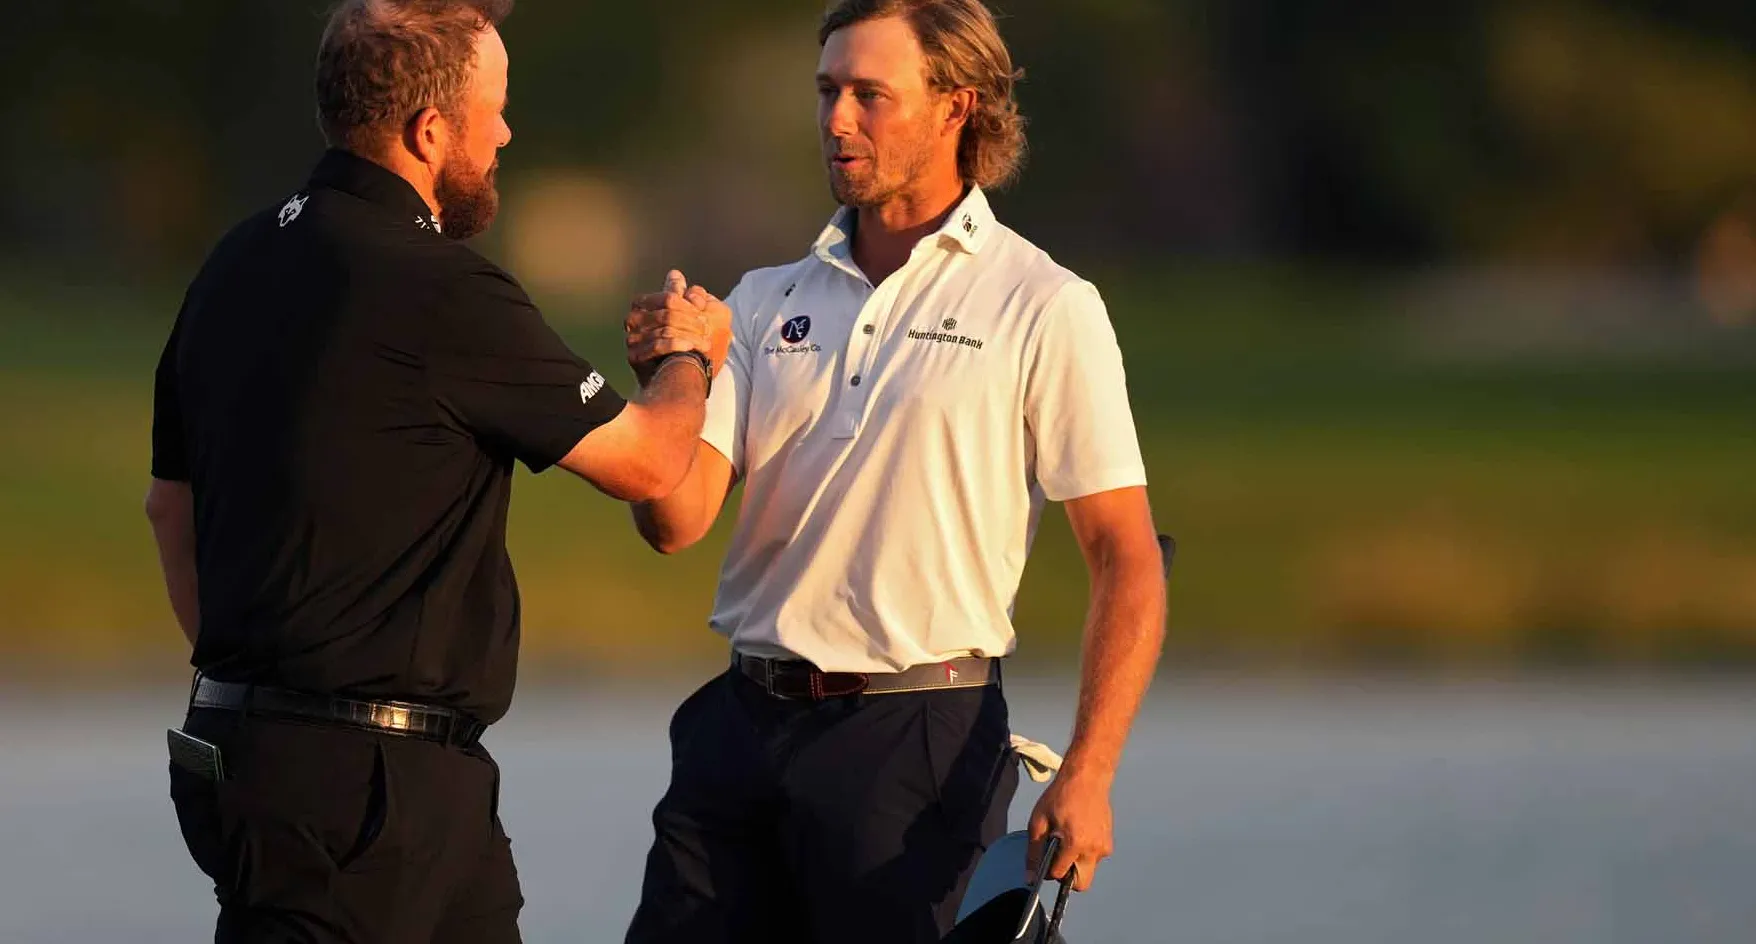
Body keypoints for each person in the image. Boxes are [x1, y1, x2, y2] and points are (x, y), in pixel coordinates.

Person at [143, 1, 729, 941]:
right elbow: (651, 461)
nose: (505, 131)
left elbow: (170, 508)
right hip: (373, 791)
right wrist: (687, 355)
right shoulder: (440, 287)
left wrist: (254, 684)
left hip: (255, 754)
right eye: (493, 108)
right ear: (428, 130)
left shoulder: (234, 262)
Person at [618, 1, 1168, 941]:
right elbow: (674, 522)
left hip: (918, 739)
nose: (836, 119)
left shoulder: (1044, 303)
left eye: (870, 94)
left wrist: (1091, 769)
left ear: (957, 106)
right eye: (828, 91)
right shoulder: (762, 300)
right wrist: (677, 369)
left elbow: (1126, 556)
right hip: (741, 730)